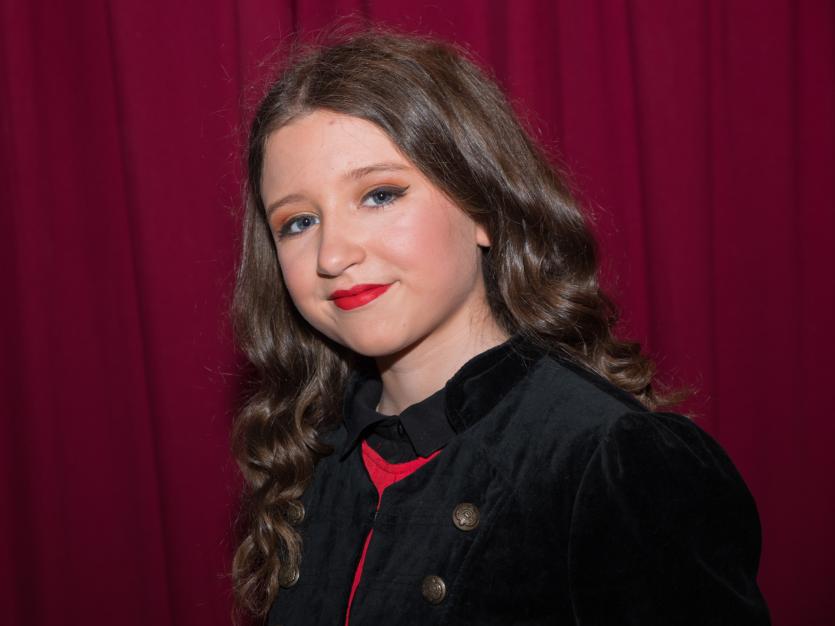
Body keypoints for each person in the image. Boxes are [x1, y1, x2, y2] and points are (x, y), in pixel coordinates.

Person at [230, 28, 770, 626]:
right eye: (299, 222)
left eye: (380, 195)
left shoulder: (614, 458)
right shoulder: (307, 456)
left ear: (483, 207)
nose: (333, 255)